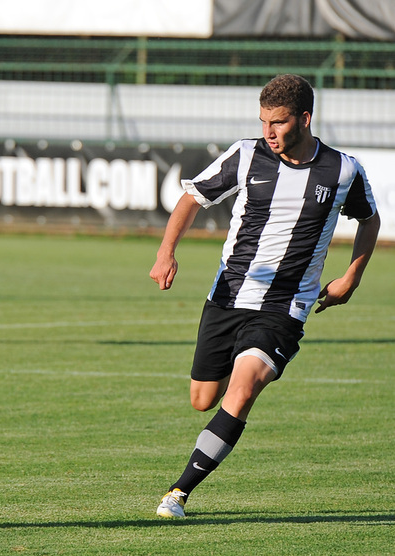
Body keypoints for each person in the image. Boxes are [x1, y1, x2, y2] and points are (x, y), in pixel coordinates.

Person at [149, 74, 380, 518]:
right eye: (263, 121)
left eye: (278, 122)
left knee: (243, 389)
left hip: (284, 308)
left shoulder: (342, 170)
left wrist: (352, 277)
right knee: (202, 399)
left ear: (304, 119)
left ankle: (178, 493)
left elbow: (369, 220)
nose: (268, 132)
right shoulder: (246, 154)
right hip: (228, 295)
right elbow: (192, 198)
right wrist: (166, 252)